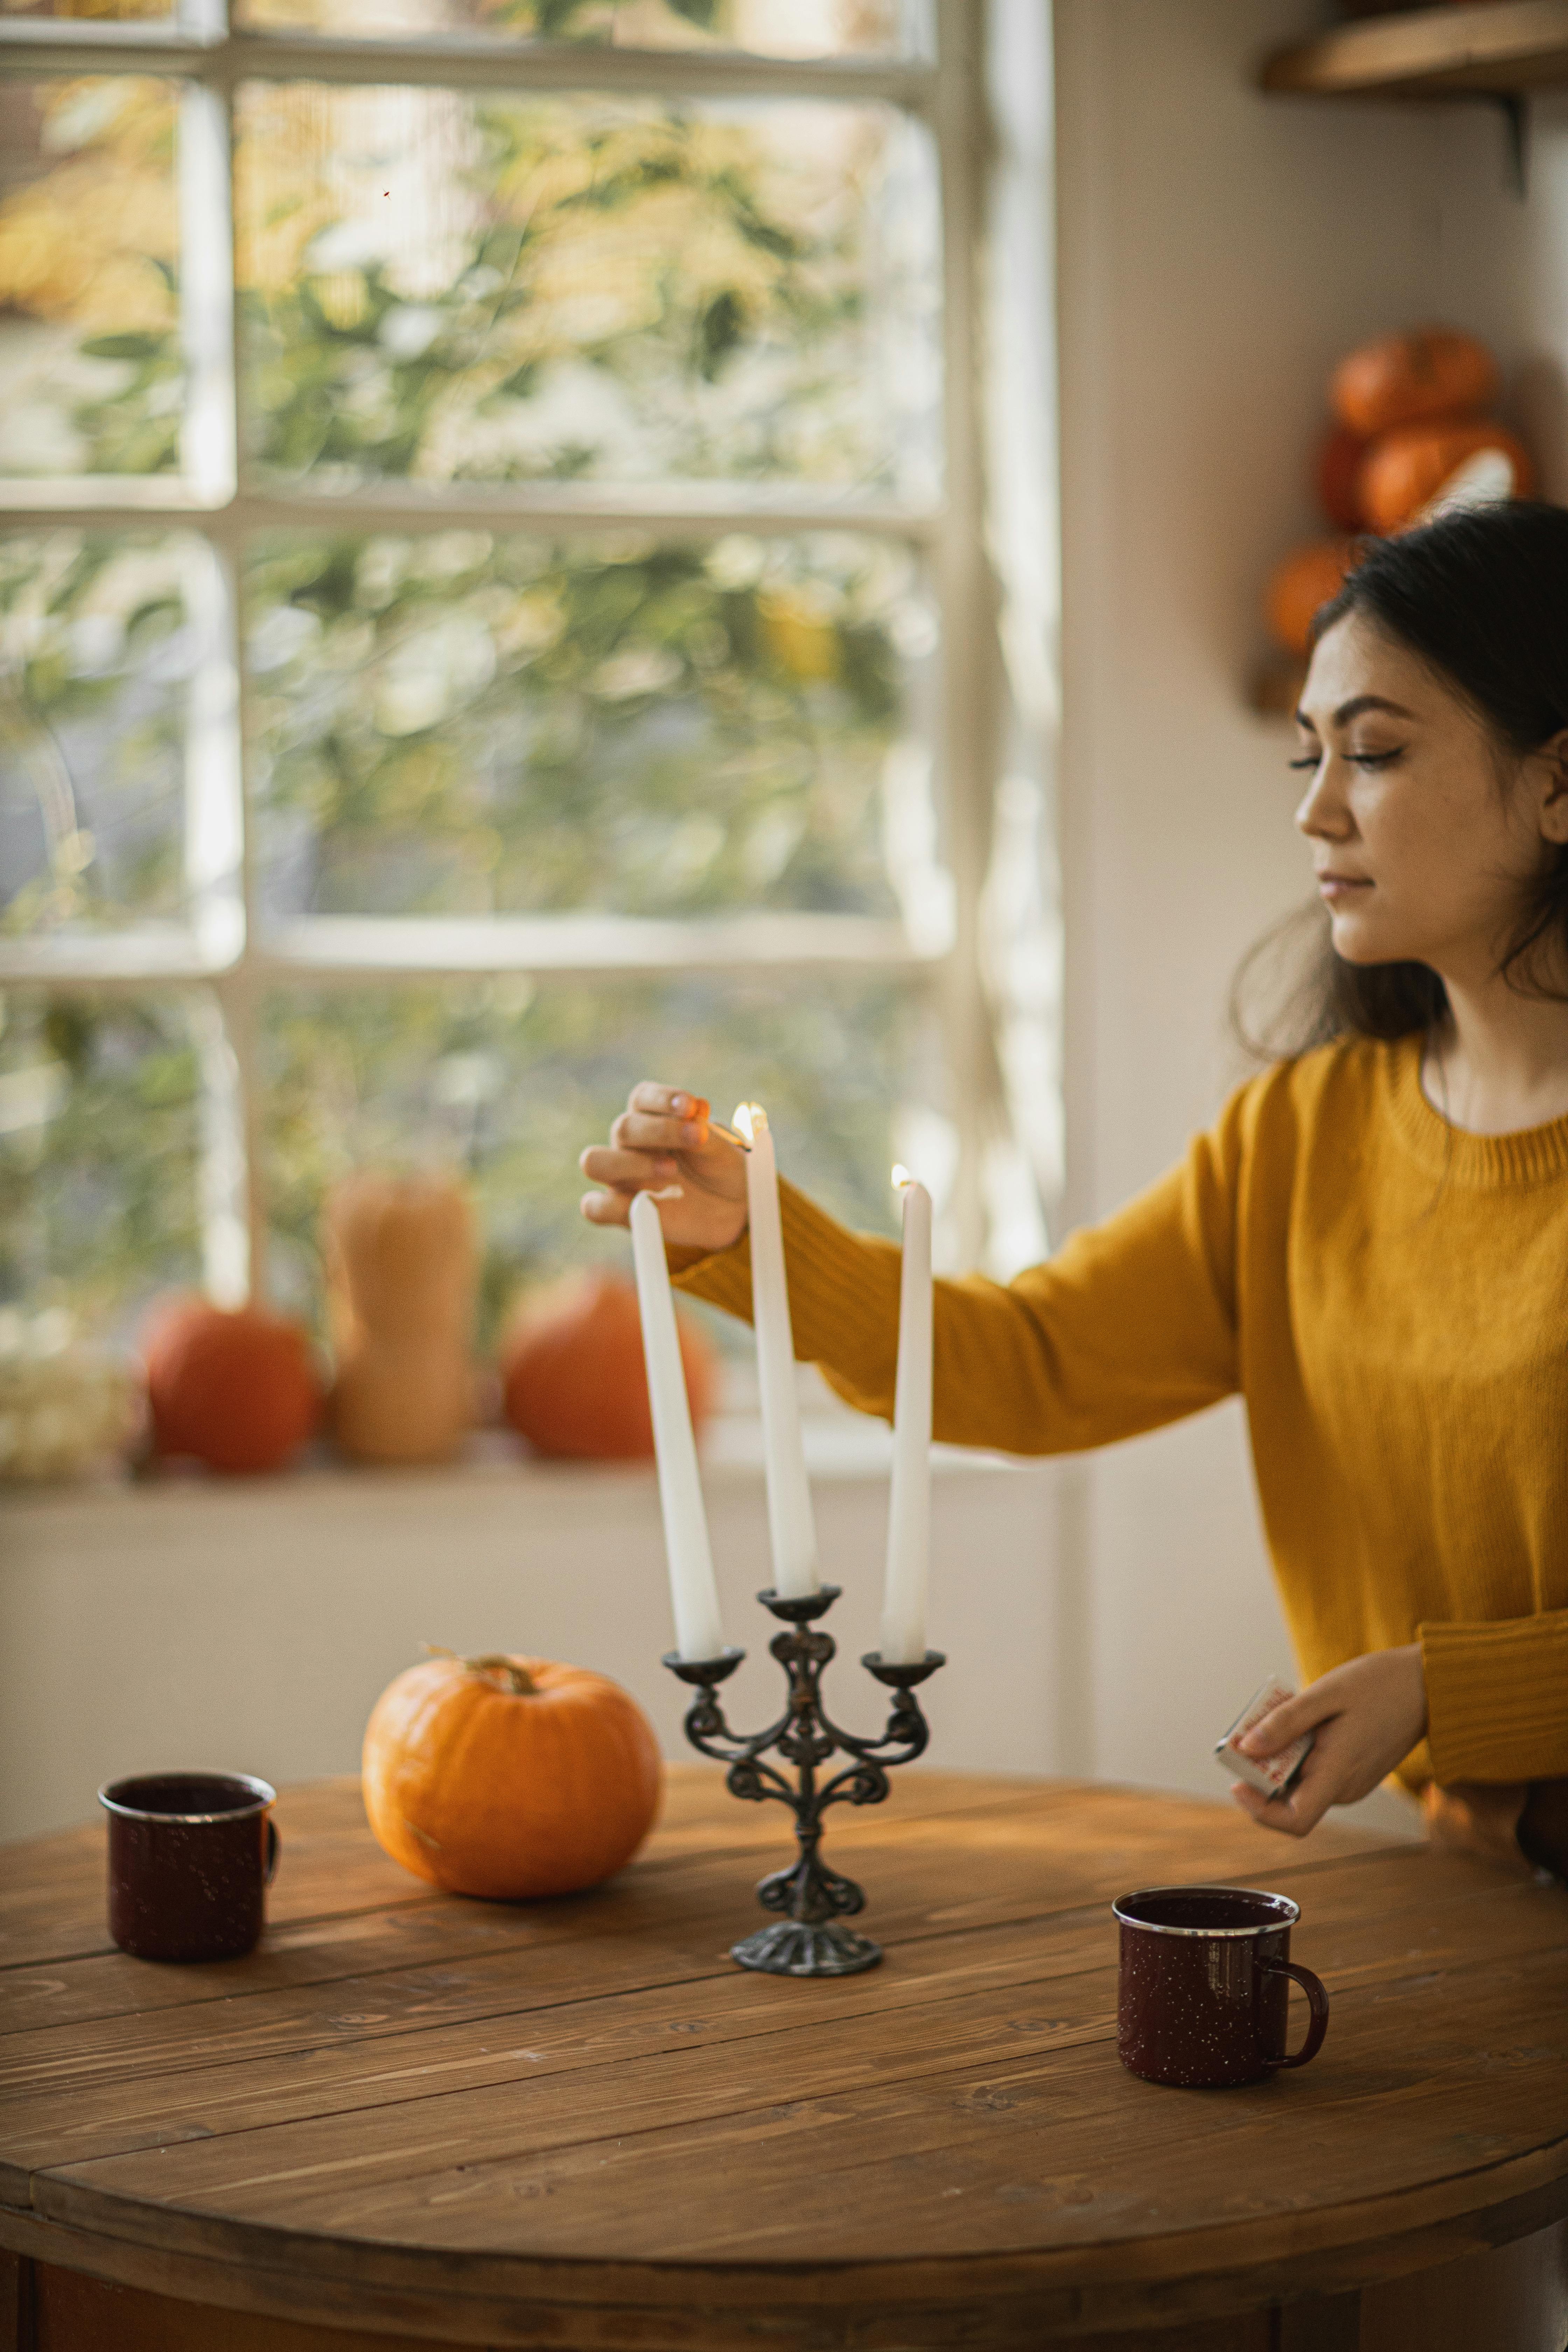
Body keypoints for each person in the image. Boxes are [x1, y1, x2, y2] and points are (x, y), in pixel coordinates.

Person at [579, 500, 1568, 1878]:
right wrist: (755, 1239)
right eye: (1306, 754)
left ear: (1557, 784)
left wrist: (1447, 1691)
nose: (1313, 807)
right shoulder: (1300, 1137)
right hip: (1470, 1889)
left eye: (1377, 752)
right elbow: (1025, 1365)